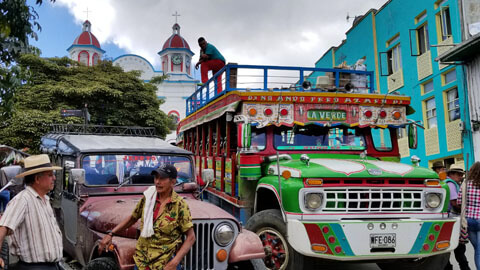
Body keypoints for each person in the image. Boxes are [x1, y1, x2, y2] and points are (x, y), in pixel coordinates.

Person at [99, 164, 195, 270]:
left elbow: (191, 237)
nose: (157, 182)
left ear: (173, 182)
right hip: (142, 262)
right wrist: (111, 234)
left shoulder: (179, 205)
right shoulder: (149, 197)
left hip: (165, 263)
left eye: (162, 178)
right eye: (156, 178)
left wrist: (175, 262)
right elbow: (133, 218)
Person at [0, 154, 63, 269]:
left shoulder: (45, 200)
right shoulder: (23, 199)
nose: (54, 178)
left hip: (52, 266)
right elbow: (3, 227)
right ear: (37, 179)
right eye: (50, 175)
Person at [444, 165, 471, 270]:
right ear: (451, 174)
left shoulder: (450, 183)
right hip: (453, 218)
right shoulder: (451, 184)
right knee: (459, 247)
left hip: (450, 217)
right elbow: (454, 202)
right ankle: (464, 267)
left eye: (461, 174)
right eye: (458, 174)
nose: (460, 176)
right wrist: (465, 209)